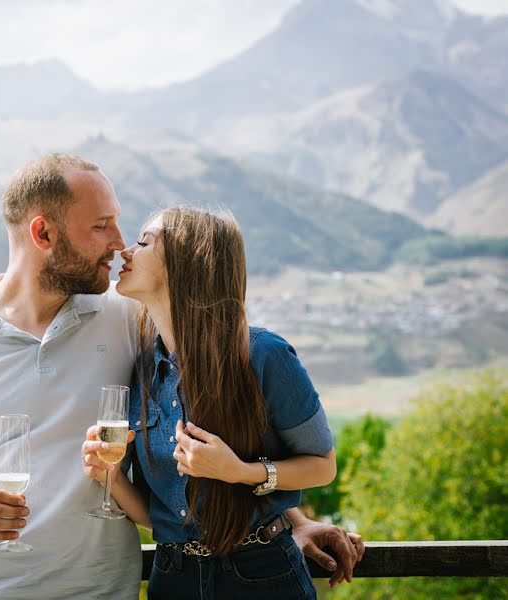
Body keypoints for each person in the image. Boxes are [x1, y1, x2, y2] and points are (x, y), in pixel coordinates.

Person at [0, 155, 364, 600]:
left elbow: (223, 411)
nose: (118, 243)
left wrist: (284, 521)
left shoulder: (132, 319)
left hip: (99, 591)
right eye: (102, 225)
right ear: (43, 234)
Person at [82, 207, 352, 599]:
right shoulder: (142, 370)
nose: (126, 250)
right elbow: (159, 520)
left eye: (144, 242)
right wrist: (110, 477)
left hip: (262, 575)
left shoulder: (264, 355)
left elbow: (322, 467)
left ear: (185, 262)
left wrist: (240, 472)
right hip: (172, 578)